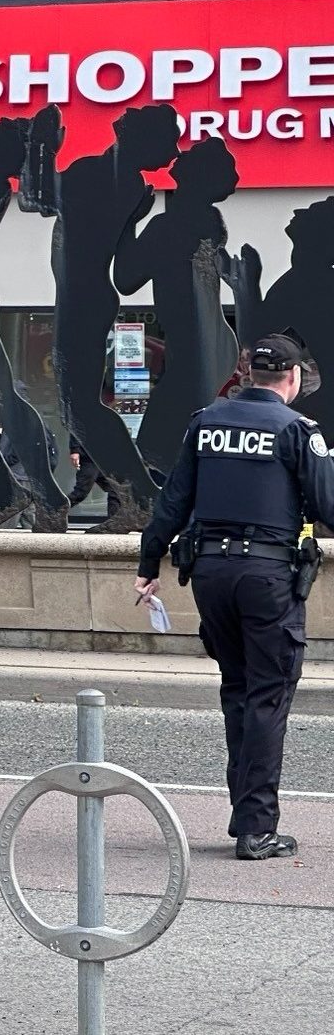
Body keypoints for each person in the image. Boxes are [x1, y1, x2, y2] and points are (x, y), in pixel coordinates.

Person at [136, 333, 334, 860]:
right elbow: (328, 505)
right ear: (291, 379)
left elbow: (173, 500)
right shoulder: (296, 430)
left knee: (239, 690)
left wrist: (147, 563)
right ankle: (256, 828)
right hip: (267, 578)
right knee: (269, 694)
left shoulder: (206, 423)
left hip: (211, 576)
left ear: (248, 375)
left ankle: (244, 812)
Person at [68, 436, 125, 519]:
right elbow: (77, 426)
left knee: (115, 489)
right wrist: (75, 450)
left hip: (108, 456)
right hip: (90, 457)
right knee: (81, 492)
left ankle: (114, 520)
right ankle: (54, 510)